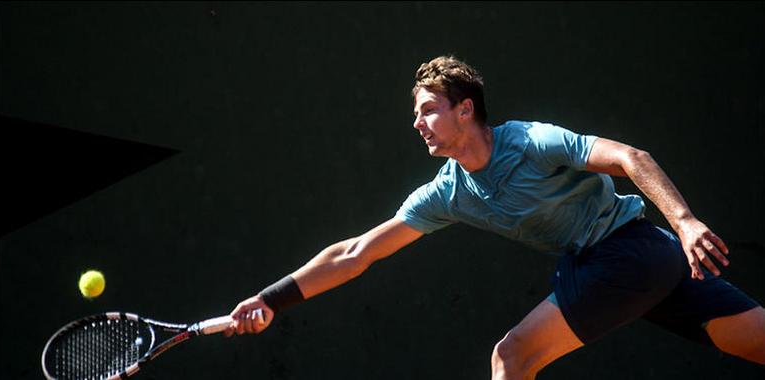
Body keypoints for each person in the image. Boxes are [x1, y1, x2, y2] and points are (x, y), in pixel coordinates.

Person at [224, 56, 765, 378]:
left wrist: (685, 220)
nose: (418, 123)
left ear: (466, 109)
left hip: (633, 250)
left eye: (428, 109)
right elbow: (355, 253)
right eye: (415, 115)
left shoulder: (531, 141)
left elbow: (632, 159)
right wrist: (271, 299)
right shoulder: (448, 194)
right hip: (646, 268)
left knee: (512, 357)